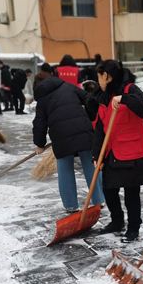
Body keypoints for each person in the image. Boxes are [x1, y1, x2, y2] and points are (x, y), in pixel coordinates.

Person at [88, 60, 143, 242]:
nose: (98, 80)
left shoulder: (130, 89)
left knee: (131, 194)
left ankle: (133, 227)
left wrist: (124, 99)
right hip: (111, 152)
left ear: (107, 76)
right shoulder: (103, 96)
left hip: (131, 152)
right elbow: (100, 128)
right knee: (109, 189)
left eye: (100, 76)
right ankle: (117, 221)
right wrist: (96, 154)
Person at [33, 75, 104, 212]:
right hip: (83, 130)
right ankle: (99, 199)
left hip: (61, 136)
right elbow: (89, 99)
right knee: (90, 164)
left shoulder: (42, 99)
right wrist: (89, 117)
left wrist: (40, 144)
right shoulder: (67, 86)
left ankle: (71, 205)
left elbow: (39, 123)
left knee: (65, 167)